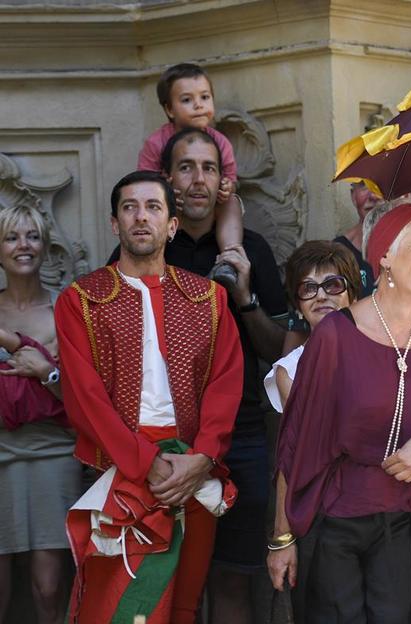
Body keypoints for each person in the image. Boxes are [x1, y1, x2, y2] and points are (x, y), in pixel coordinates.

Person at [55, 170, 243, 623]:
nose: (142, 218)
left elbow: (226, 383)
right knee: (116, 608)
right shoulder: (81, 300)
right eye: (130, 208)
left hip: (193, 472)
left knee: (184, 606)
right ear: (114, 223)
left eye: (154, 207)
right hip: (119, 469)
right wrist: (146, 462)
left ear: (172, 225)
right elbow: (85, 400)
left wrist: (201, 459)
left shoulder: (210, 300)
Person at [275, 203, 411, 622]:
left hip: (404, 522)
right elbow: (297, 443)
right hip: (334, 520)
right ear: (384, 255)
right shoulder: (335, 335)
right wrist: (282, 538)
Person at [144, 127, 287, 623]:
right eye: (186, 167)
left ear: (222, 180)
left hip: (241, 437)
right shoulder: (149, 248)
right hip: (165, 440)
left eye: (209, 168)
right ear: (168, 178)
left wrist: (244, 294)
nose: (198, 179)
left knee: (231, 581)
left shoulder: (251, 248)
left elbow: (278, 351)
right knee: (162, 581)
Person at [263, 241, 362, 618]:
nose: (321, 296)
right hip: (328, 517)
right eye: (308, 288)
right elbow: (294, 456)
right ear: (298, 304)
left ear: (352, 290)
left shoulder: (393, 350)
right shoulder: (291, 369)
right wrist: (281, 538)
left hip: (391, 514)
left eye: (333, 284)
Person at [0, 204, 81, 624]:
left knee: (48, 588)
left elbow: (86, 399)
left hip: (53, 454)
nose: (23, 246)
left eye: (32, 236)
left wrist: (46, 371)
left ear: (45, 245)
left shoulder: (65, 308)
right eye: (12, 237)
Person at [137, 62, 242, 287]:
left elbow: (231, 177)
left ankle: (230, 257)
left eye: (205, 97)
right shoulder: (156, 143)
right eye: (187, 100)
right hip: (170, 210)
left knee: (231, 202)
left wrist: (226, 186)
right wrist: (165, 190)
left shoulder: (220, 141)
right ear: (169, 109)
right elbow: (143, 183)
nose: (198, 105)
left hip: (209, 210)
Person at [334, 182, 379, 297]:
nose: (373, 196)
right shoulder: (338, 253)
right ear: (353, 196)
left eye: (380, 185)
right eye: (364, 186)